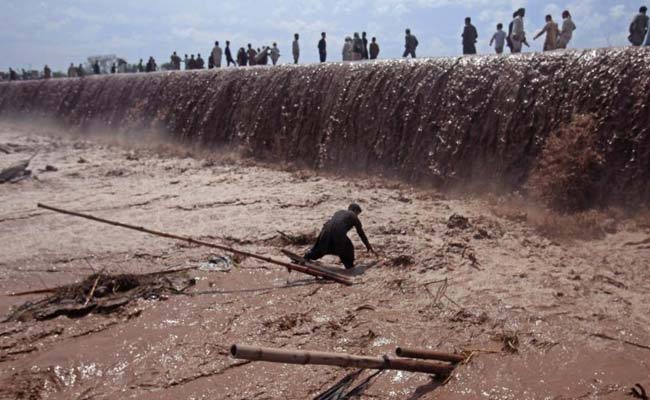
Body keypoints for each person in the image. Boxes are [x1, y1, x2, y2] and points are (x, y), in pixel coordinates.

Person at [304, 203, 375, 269]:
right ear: (354, 210)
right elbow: (361, 233)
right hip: (338, 231)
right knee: (348, 248)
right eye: (357, 213)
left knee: (322, 247)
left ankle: (307, 256)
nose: (357, 215)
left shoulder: (339, 212)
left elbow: (334, 223)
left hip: (325, 229)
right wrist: (368, 245)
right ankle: (349, 267)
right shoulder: (353, 216)